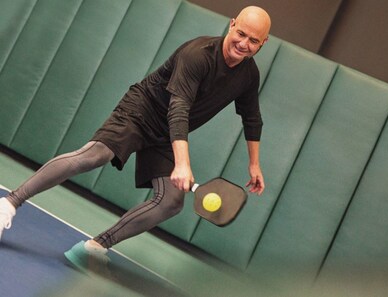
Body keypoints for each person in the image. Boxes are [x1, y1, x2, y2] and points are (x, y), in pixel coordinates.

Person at [0, 6, 271, 254]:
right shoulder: (198, 55)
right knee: (96, 155)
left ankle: (95, 248)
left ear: (263, 43)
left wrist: (254, 164)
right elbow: (178, 109)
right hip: (142, 111)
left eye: (253, 41)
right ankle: (9, 203)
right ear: (232, 24)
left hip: (166, 135)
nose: (244, 44)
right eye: (241, 33)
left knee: (171, 202)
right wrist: (182, 164)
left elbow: (251, 117)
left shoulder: (249, 75)